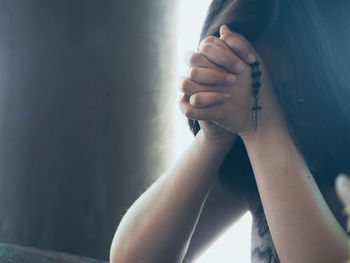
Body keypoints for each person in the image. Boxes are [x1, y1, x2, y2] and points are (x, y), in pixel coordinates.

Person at [110, 0, 350, 262]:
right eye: (256, 86)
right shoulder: (250, 154)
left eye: (288, 94)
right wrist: (214, 136)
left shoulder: (268, 135)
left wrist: (264, 124)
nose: (268, 105)